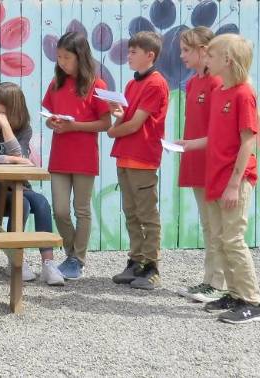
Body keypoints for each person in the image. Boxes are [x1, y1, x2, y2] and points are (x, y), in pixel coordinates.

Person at [177, 34, 260, 324]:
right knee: (220, 238)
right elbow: (217, 136)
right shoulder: (221, 93)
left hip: (233, 181)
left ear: (227, 60)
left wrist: (233, 184)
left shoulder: (243, 94)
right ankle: (234, 293)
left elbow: (248, 142)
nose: (207, 60)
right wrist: (193, 144)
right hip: (215, 177)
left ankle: (253, 301)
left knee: (233, 238)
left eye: (212, 56)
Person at [0, 82, 63, 286]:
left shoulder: (23, 129)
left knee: (42, 203)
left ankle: (48, 264)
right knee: (24, 204)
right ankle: (16, 258)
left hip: (15, 186)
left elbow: (18, 155)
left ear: (11, 106)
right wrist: (12, 160)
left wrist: (5, 127)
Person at [42, 31, 111, 280]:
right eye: (59, 57)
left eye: (66, 57)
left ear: (80, 57)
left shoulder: (97, 85)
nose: (61, 62)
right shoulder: (56, 84)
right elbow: (49, 116)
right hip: (59, 156)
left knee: (81, 209)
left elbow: (105, 123)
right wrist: (52, 123)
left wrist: (75, 126)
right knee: (59, 210)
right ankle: (72, 255)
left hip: (84, 157)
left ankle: (77, 260)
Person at [107, 31, 169, 290]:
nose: (128, 56)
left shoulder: (155, 83)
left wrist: (112, 131)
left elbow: (136, 125)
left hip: (142, 158)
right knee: (131, 213)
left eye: (133, 52)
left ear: (149, 55)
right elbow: (126, 119)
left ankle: (152, 266)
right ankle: (135, 261)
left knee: (147, 214)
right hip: (125, 157)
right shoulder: (132, 85)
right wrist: (117, 116)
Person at [175, 26, 226, 303]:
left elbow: (221, 130)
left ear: (203, 51)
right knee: (208, 224)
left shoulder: (217, 83)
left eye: (186, 50)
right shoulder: (193, 82)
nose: (181, 55)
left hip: (212, 162)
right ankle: (210, 280)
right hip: (195, 159)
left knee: (217, 226)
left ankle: (217, 283)